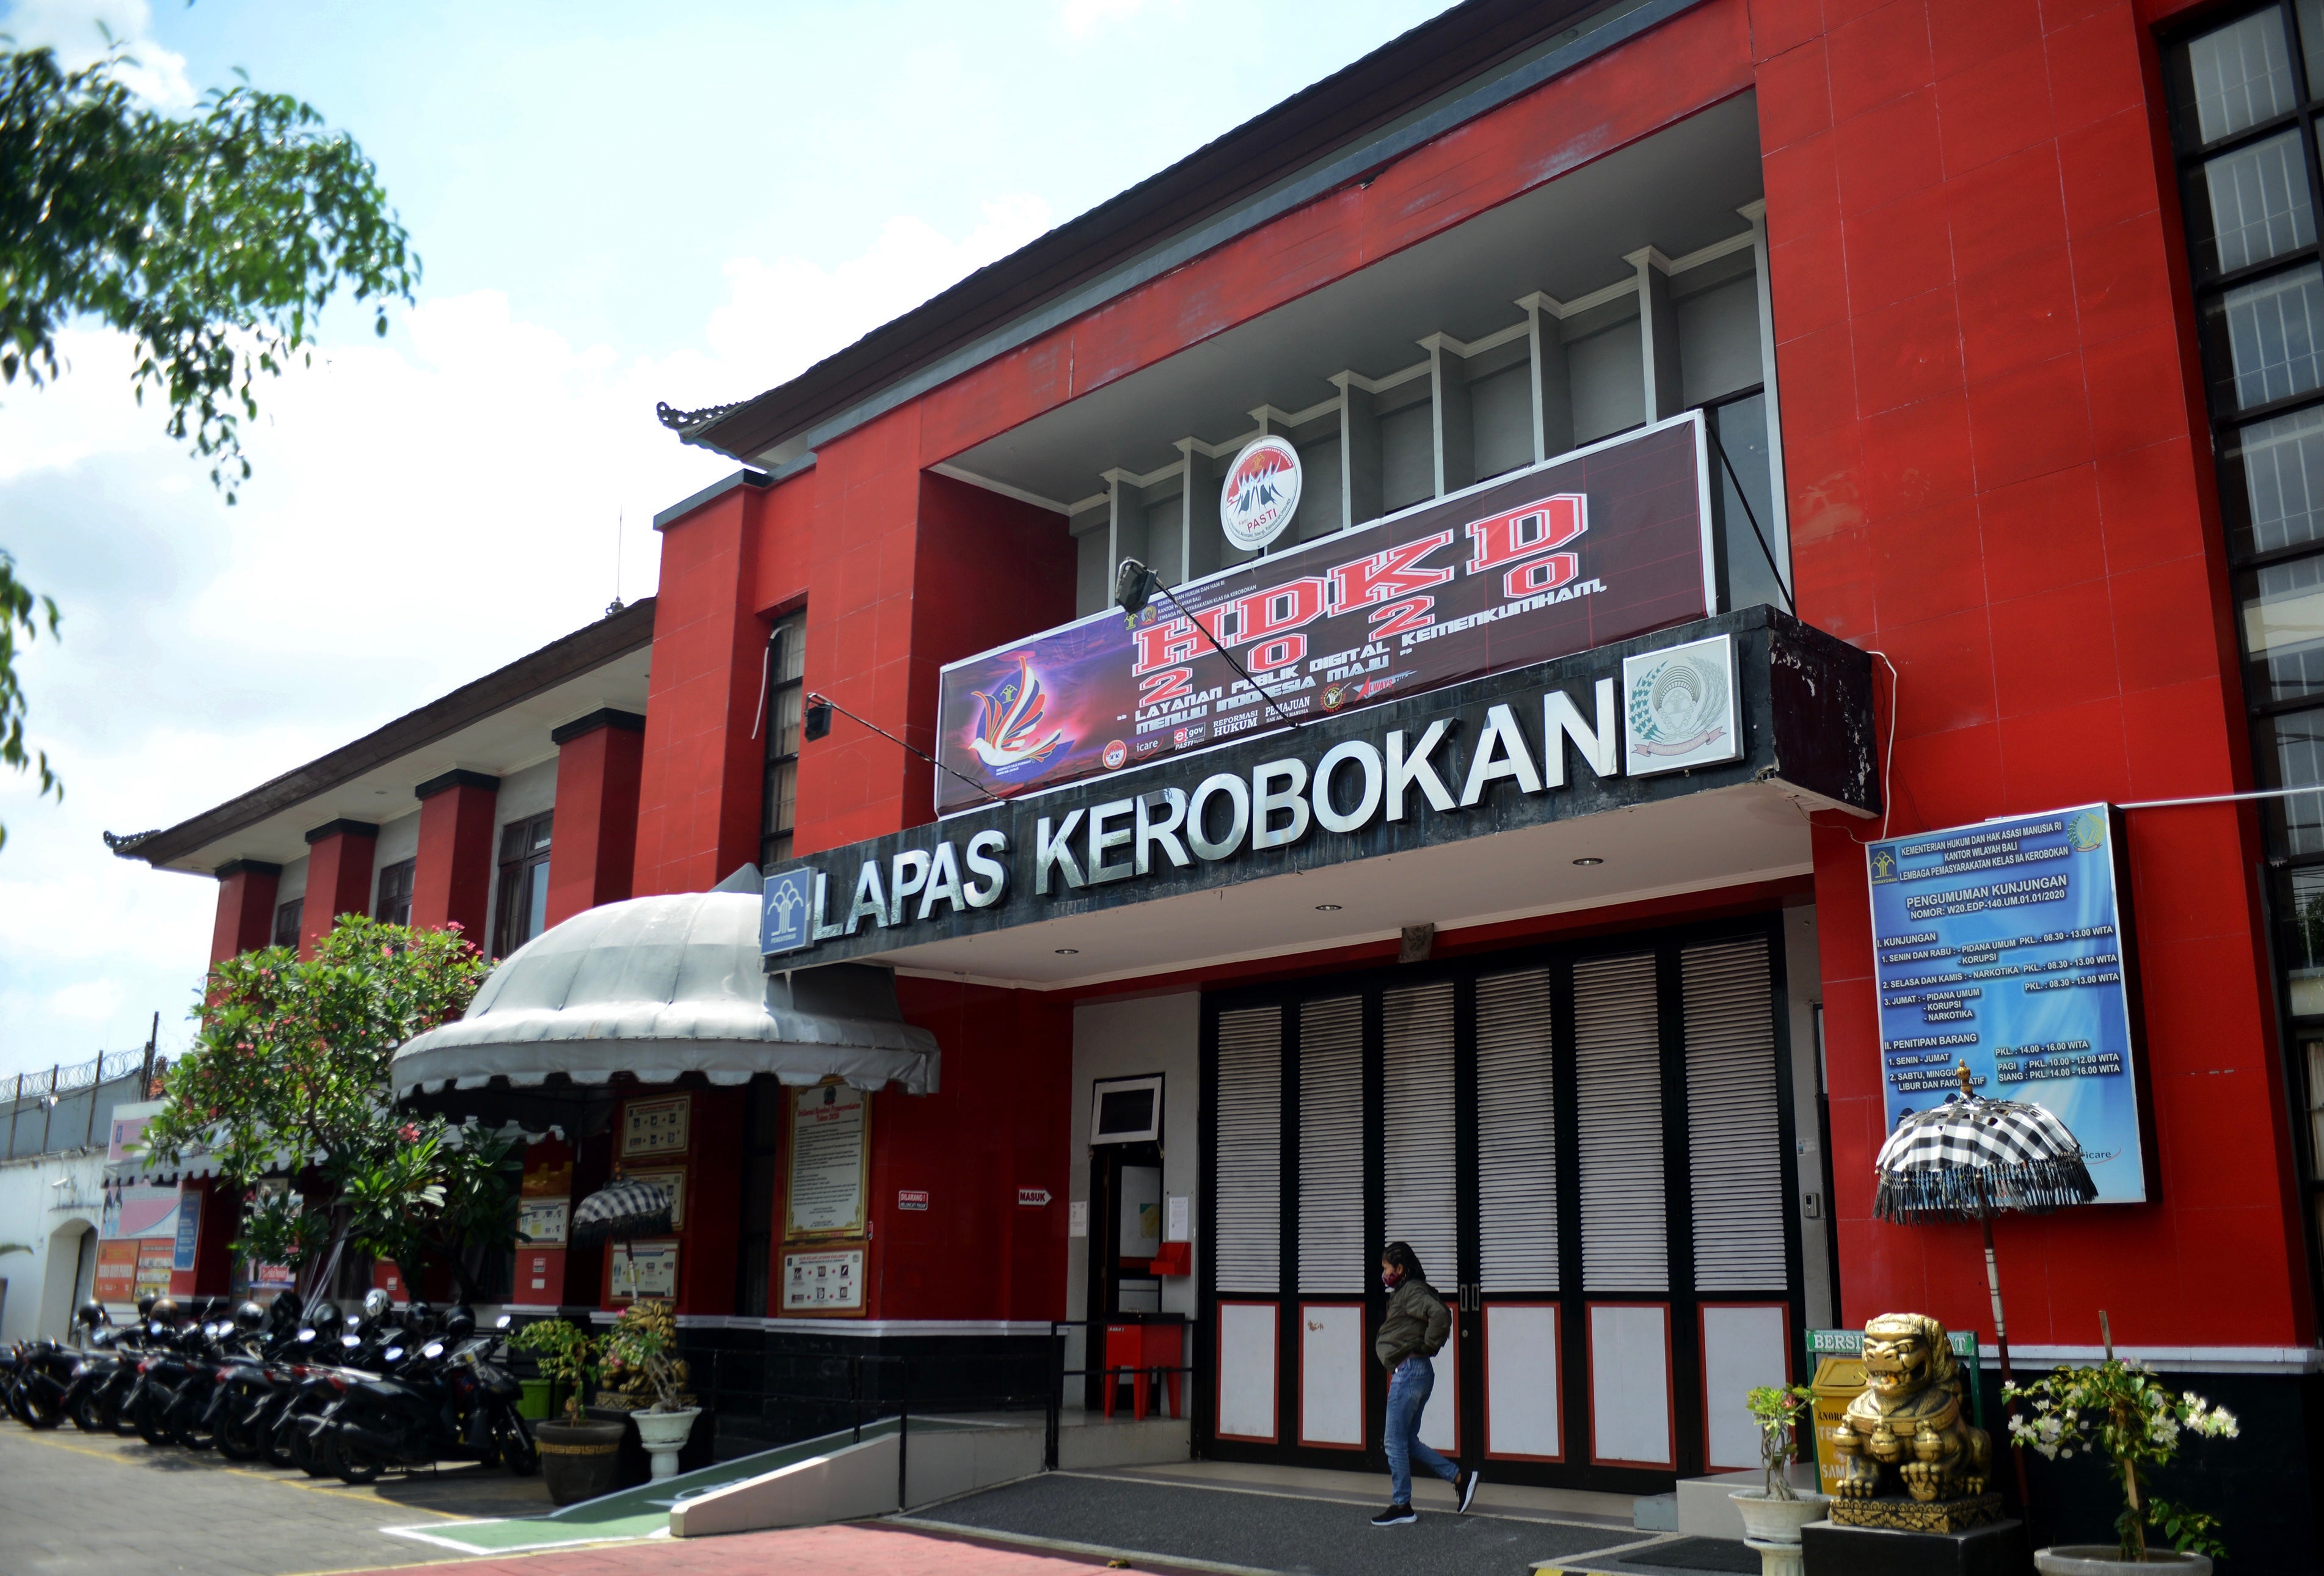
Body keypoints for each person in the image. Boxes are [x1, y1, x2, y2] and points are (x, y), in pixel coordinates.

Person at [1371, 1241, 1480, 1527]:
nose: (1384, 1274)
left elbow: (1441, 1315)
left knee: (1393, 1442)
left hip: (1409, 1372)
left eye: (1386, 1268)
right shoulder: (1407, 1292)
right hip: (1415, 1372)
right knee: (1406, 1441)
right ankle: (1460, 1478)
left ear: (1400, 1268)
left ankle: (1402, 1505)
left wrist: (1429, 1346)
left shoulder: (1412, 1291)